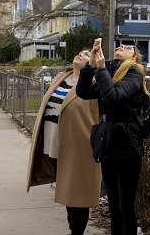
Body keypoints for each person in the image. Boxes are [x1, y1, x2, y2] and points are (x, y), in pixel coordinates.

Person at [76, 39, 148, 235]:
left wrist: (100, 70)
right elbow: (83, 92)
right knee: (114, 204)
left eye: (128, 47)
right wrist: (91, 66)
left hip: (127, 143)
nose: (121, 46)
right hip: (108, 141)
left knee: (125, 204)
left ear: (134, 56)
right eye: (121, 45)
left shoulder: (135, 72)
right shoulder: (109, 70)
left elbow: (114, 98)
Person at [26, 50, 101, 235]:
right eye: (80, 52)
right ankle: (73, 229)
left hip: (79, 147)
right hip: (54, 142)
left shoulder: (93, 85)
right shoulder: (62, 77)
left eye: (86, 54)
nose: (80, 55)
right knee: (68, 191)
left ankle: (76, 231)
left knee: (78, 193)